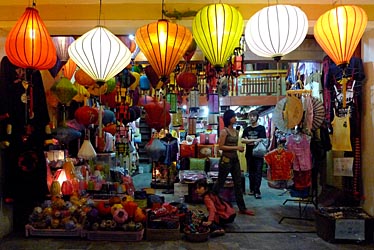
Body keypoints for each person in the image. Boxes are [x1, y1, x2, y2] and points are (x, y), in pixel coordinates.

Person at [213, 109, 254, 216]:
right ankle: (212, 201)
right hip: (226, 160)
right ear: (228, 119)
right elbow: (221, 147)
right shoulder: (224, 131)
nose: (235, 118)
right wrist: (236, 147)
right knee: (220, 182)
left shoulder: (236, 132)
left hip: (235, 160)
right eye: (233, 117)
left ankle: (242, 208)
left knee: (238, 183)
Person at [241, 110, 267, 199]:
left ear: (257, 117)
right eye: (250, 116)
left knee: (258, 172)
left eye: (253, 116)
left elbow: (263, 140)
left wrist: (249, 141)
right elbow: (242, 140)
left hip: (258, 153)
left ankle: (257, 191)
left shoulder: (261, 128)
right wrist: (255, 140)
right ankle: (252, 189)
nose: (252, 118)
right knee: (251, 173)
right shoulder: (246, 129)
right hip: (249, 153)